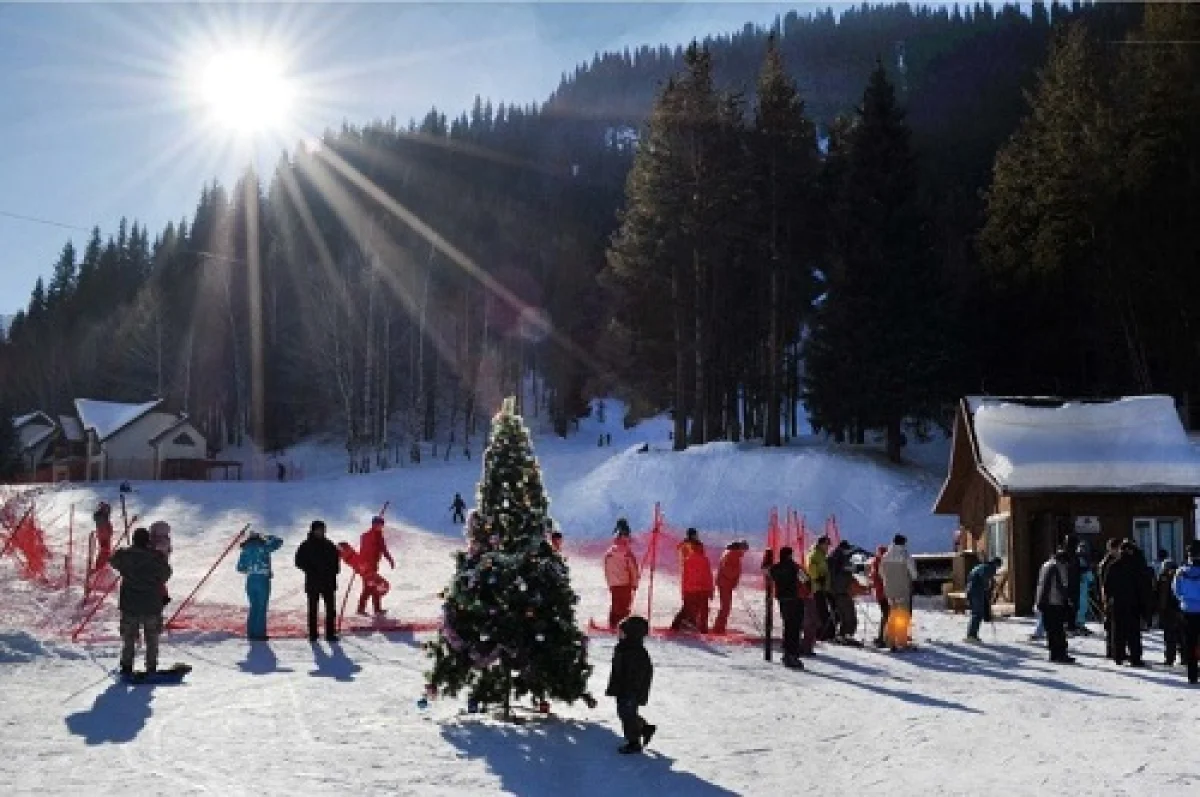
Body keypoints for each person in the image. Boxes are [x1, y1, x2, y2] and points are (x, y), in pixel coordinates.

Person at [108, 527, 172, 676]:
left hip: (130, 605)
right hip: (152, 606)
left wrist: (128, 552)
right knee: (152, 638)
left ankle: (126, 666)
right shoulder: (155, 558)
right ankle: (151, 667)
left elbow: (112, 560)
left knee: (129, 638)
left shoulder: (125, 556)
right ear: (148, 541)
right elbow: (166, 574)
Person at [605, 615, 655, 755]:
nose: (619, 635)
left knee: (627, 715)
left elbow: (639, 675)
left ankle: (634, 743)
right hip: (622, 687)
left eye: (623, 633)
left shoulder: (637, 653)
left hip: (630, 690)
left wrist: (632, 690)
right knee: (626, 713)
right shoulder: (623, 648)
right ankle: (644, 728)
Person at [295, 520, 342, 642]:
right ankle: (313, 634)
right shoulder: (306, 545)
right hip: (313, 583)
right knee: (313, 610)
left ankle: (330, 634)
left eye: (323, 529)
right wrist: (310, 570)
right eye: (319, 529)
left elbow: (336, 560)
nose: (321, 532)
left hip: (328, 582)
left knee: (331, 610)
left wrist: (335, 570)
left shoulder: (329, 544)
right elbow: (298, 561)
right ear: (313, 530)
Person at [1103, 539, 1147, 667]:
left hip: (1117, 603)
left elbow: (1107, 586)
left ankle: (1118, 656)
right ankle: (1135, 657)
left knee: (1118, 630)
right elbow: (1142, 586)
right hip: (1133, 603)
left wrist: (1109, 599)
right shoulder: (1136, 566)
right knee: (1134, 632)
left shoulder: (1113, 565)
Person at [235, 530, 284, 641]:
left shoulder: (245, 550)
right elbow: (279, 541)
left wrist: (250, 568)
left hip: (250, 579)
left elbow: (239, 568)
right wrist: (267, 536)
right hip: (262, 579)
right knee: (262, 607)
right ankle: (259, 633)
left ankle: (251, 632)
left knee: (254, 606)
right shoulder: (264, 547)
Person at [768, 546, 808, 669]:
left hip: (782, 600)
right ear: (790, 555)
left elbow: (769, 575)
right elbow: (806, 581)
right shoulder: (796, 567)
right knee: (795, 628)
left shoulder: (775, 568)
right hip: (795, 600)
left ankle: (787, 653)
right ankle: (792, 655)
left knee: (787, 625)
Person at [671, 528, 714, 633]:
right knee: (690, 606)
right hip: (692, 582)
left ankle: (685, 625)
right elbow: (687, 563)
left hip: (697, 582)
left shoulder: (697, 549)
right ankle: (681, 626)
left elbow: (705, 570)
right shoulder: (687, 548)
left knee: (694, 607)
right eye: (695, 535)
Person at [1037, 546, 1075, 664]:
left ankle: (1053, 654)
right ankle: (1061, 654)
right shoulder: (1059, 567)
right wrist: (1067, 600)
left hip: (1044, 601)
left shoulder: (1045, 565)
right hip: (1055, 602)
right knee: (1059, 629)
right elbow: (1062, 585)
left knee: (1051, 629)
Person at [880, 534, 919, 642]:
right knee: (902, 615)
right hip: (902, 589)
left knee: (892, 614)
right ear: (903, 543)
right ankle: (901, 640)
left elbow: (881, 573)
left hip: (889, 590)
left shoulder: (885, 555)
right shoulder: (905, 555)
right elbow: (914, 574)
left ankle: (889, 639)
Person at [1172, 540, 1200, 684]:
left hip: (1187, 610)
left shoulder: (1181, 571)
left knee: (1190, 643)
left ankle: (1192, 675)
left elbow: (1176, 591)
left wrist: (1185, 599)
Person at [604, 520, 640, 629]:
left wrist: (610, 584)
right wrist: (635, 583)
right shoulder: (627, 554)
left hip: (614, 584)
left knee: (615, 605)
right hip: (625, 583)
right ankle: (623, 627)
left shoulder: (609, 553)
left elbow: (607, 570)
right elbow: (633, 570)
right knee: (624, 606)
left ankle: (613, 624)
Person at [357, 515, 394, 615]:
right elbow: (364, 551)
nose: (381, 527)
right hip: (366, 567)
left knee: (374, 587)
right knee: (369, 588)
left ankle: (376, 609)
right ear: (374, 524)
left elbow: (384, 550)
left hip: (372, 566)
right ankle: (361, 609)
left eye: (382, 525)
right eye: (379, 525)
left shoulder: (378, 536)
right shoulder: (368, 536)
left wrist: (390, 559)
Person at [712, 540, 749, 635]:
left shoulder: (733, 554)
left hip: (726, 584)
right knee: (725, 607)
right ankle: (718, 628)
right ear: (741, 548)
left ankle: (720, 627)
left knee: (726, 607)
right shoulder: (732, 554)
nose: (744, 553)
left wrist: (734, 581)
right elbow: (727, 570)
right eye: (744, 550)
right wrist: (733, 579)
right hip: (725, 584)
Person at [827, 540, 859, 643]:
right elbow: (852, 568)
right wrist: (861, 567)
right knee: (850, 617)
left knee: (843, 616)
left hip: (834, 591)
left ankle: (842, 635)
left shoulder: (831, 558)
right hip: (843, 591)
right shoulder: (842, 558)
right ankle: (847, 636)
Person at [965, 557, 1002, 642]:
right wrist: (987, 590)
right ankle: (971, 635)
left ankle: (971, 634)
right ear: (996, 564)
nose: (998, 568)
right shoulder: (989, 568)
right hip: (977, 591)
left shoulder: (980, 566)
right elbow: (984, 580)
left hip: (970, 590)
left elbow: (971, 577)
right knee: (977, 613)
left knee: (975, 613)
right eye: (998, 566)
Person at [1097, 537, 1122, 658]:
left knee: (1112, 624)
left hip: (1110, 596)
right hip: (1109, 597)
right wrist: (1106, 598)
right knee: (1111, 624)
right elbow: (1104, 583)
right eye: (1117, 549)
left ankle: (1113, 649)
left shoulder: (1108, 562)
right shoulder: (1108, 563)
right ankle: (1112, 650)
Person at [807, 536, 834, 640]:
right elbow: (811, 567)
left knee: (823, 610)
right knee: (821, 611)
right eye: (826, 544)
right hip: (817, 587)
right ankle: (821, 633)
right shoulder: (815, 554)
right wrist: (817, 578)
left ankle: (824, 633)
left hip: (822, 587)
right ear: (821, 544)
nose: (828, 547)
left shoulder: (822, 555)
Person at [1157, 559, 1182, 666]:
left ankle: (1170, 658)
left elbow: (1158, 596)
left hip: (1170, 611)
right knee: (1177, 636)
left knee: (1171, 637)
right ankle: (1176, 657)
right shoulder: (1180, 578)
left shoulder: (1162, 579)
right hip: (1176, 611)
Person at [868, 545, 889, 647]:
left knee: (886, 615)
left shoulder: (876, 563)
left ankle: (883, 637)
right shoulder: (878, 564)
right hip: (883, 593)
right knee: (886, 615)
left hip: (882, 593)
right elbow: (877, 579)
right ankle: (882, 638)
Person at [148, 520, 173, 605]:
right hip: (152, 566)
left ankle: (163, 598)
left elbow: (158, 548)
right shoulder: (153, 540)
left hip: (159, 567)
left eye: (153, 530)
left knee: (157, 583)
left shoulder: (164, 541)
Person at [92, 502, 114, 574]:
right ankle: (99, 569)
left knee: (104, 553)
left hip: (104, 537)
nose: (109, 512)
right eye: (108, 510)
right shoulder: (102, 518)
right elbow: (105, 530)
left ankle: (101, 568)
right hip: (104, 538)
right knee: (104, 552)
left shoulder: (102, 518)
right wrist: (109, 532)